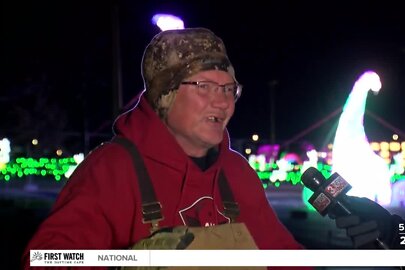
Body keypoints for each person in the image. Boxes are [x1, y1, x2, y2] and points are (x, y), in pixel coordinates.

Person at [22, 27, 306, 269]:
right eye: (204, 86)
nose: (222, 102)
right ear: (164, 95)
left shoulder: (236, 172)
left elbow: (285, 259)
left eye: (228, 89)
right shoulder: (112, 170)